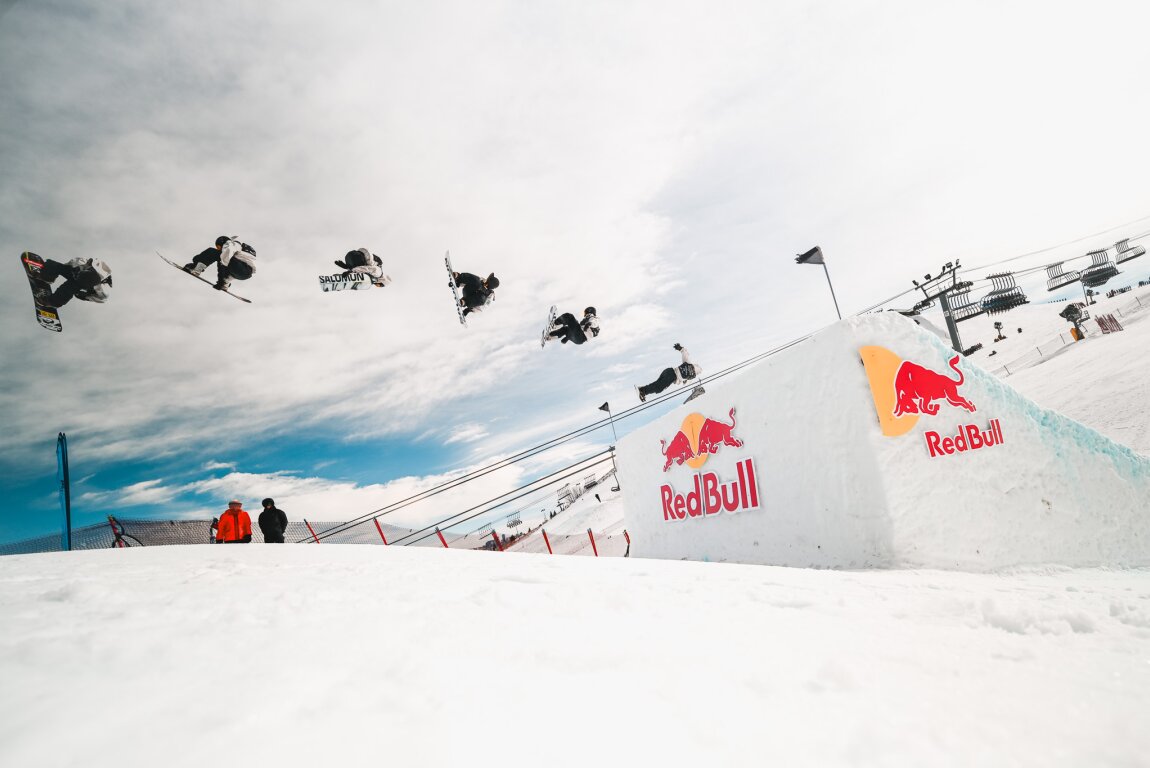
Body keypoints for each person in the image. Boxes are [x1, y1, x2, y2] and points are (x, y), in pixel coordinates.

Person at [183, 235, 257, 291]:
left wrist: (220, 279)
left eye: (218, 246)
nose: (219, 248)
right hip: (246, 274)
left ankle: (196, 269)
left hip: (240, 267)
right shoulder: (243, 249)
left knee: (213, 252)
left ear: (222, 242)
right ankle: (225, 283)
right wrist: (222, 281)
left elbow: (228, 251)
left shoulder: (231, 243)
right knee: (223, 260)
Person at [32, 257, 112, 308]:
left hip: (85, 286)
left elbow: (103, 298)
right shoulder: (79, 262)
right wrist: (49, 272)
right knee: (54, 266)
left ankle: (53, 302)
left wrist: (86, 296)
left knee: (69, 287)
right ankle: (47, 277)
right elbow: (64, 267)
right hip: (77, 275)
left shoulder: (102, 288)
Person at [636, 344, 702, 402]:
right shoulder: (691, 377)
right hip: (672, 376)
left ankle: (643, 389)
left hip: (669, 370)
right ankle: (643, 391)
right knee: (658, 388)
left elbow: (685, 353)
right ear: (696, 373)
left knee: (657, 384)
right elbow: (685, 383)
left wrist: (680, 348)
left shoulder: (688, 363)